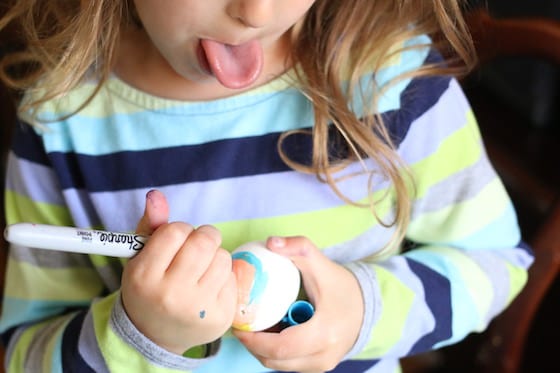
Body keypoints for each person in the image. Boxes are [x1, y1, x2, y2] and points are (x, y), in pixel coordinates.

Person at [0, 1, 534, 372]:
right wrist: (138, 335)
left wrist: (361, 311)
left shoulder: (393, 82)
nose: (255, 12)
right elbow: (22, 354)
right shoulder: (59, 121)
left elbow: (497, 260)